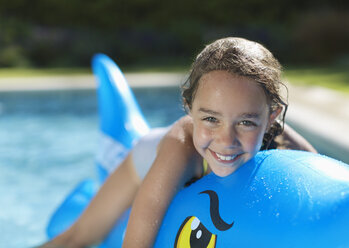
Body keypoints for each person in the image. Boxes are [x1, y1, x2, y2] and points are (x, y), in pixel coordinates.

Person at [40, 37, 316, 248]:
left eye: (246, 122)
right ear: (188, 108)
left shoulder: (291, 150)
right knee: (79, 237)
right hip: (145, 165)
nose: (225, 140)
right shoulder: (181, 149)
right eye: (210, 119)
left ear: (271, 117)